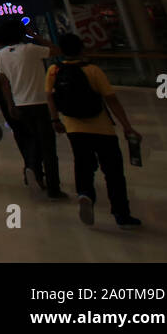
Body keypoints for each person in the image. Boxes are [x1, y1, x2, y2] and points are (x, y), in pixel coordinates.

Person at [46, 34, 142, 228]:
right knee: (113, 171)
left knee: (83, 164)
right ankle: (121, 213)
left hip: (74, 128)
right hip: (103, 129)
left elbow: (50, 98)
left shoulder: (54, 70)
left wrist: (55, 120)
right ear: (82, 49)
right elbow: (111, 99)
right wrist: (126, 125)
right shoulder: (93, 70)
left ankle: (85, 194)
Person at [0, 24, 65, 198]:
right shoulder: (31, 49)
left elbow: (4, 84)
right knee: (48, 146)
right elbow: (57, 50)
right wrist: (35, 35)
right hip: (40, 103)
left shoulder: (1, 55)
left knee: (33, 141)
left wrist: (10, 105)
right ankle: (53, 187)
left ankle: (34, 171)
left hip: (20, 104)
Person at [0, 18, 33, 181]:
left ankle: (30, 164)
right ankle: (35, 164)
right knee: (32, 131)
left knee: (19, 131)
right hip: (25, 94)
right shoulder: (26, 50)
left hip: (6, 97)